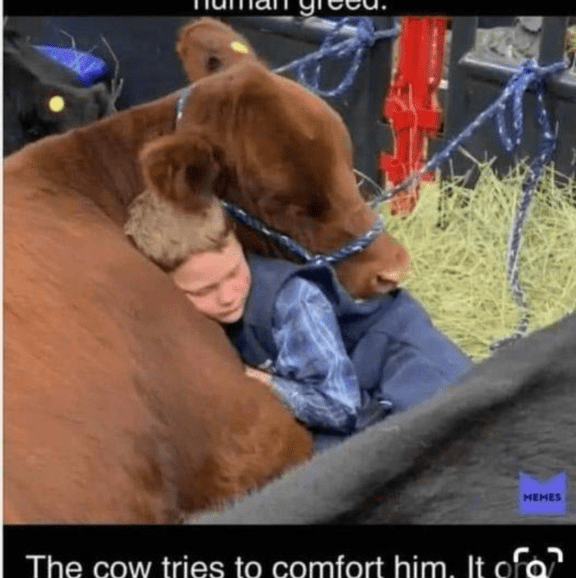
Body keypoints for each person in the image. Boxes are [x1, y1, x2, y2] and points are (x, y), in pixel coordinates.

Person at [125, 190, 471, 446]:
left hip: (395, 360)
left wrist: (264, 383)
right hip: (345, 392)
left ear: (239, 245)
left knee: (458, 439)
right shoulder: (185, 308)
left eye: (233, 272)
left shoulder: (292, 301)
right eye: (204, 291)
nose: (228, 295)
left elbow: (340, 407)